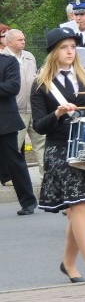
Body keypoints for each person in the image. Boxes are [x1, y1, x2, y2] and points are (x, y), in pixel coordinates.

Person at [32, 27, 85, 282]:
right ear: (54, 52)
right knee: (78, 205)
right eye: (64, 47)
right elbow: (39, 126)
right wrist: (57, 114)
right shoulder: (41, 85)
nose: (70, 52)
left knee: (82, 208)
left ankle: (68, 263)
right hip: (59, 150)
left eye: (72, 47)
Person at [3, 29, 46, 179]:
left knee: (41, 144)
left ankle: (46, 176)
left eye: (24, 39)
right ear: (9, 42)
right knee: (14, 147)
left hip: (34, 109)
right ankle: (9, 178)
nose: (24, 42)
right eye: (20, 40)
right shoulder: (3, 59)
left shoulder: (29, 56)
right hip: (15, 111)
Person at [0, 46, 38, 215]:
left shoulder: (9, 62)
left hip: (5, 120)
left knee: (14, 161)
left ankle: (28, 201)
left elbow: (13, 87)